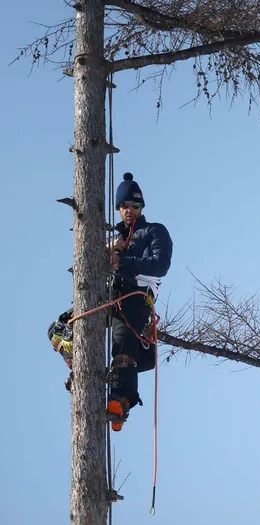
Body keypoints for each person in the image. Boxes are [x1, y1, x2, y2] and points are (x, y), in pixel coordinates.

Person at [106, 172, 173, 431]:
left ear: (141, 207)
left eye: (135, 206)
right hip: (110, 295)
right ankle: (74, 359)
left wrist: (123, 261)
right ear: (119, 208)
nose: (129, 211)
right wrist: (110, 252)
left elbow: (160, 264)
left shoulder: (153, 231)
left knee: (123, 344)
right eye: (124, 206)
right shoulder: (115, 239)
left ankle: (120, 399)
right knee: (63, 325)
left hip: (136, 296)